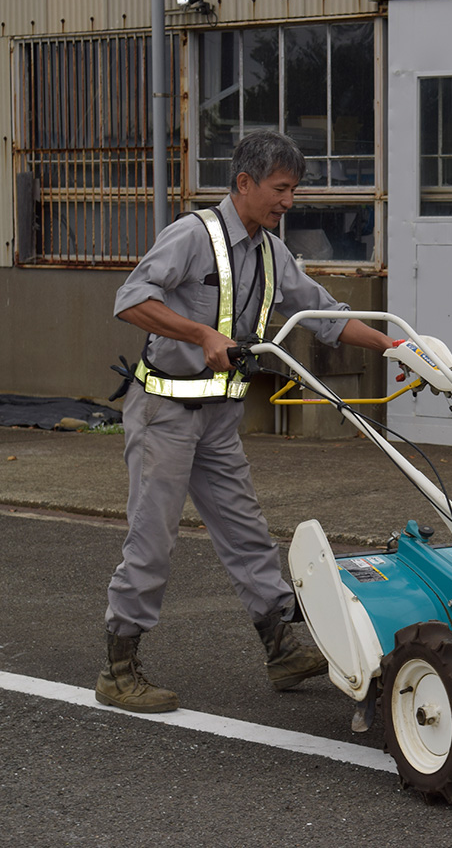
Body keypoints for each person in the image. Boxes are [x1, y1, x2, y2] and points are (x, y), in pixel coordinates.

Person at [97, 130, 397, 713]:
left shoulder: (270, 251)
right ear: (244, 184)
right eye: (281, 189)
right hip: (164, 412)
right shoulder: (192, 235)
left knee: (247, 533)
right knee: (152, 539)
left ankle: (281, 649)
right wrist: (200, 333)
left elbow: (325, 316)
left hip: (218, 417)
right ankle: (119, 666)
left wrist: (394, 346)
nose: (289, 201)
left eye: (294, 190)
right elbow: (130, 299)